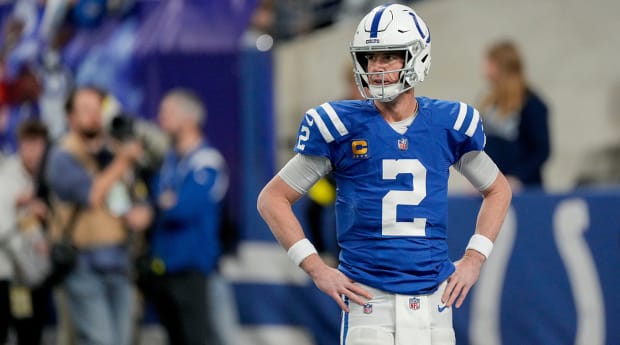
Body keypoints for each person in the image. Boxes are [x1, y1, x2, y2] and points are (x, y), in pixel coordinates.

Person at [257, 4, 512, 345]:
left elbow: (498, 189)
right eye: (370, 58)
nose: (377, 68)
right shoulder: (340, 126)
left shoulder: (447, 123)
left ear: (417, 57)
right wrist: (315, 267)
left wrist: (474, 258)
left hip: (435, 300)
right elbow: (272, 199)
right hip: (369, 301)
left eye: (389, 57)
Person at [46, 86, 146, 345]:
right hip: (83, 266)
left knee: (122, 340)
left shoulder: (111, 151)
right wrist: (123, 161)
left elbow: (129, 196)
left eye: (97, 109)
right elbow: (92, 194)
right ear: (70, 117)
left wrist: (141, 211)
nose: (93, 116)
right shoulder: (62, 155)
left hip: (120, 263)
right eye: (85, 110)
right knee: (100, 340)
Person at [145, 89, 234, 345]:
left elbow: (182, 207)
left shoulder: (207, 161)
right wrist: (164, 203)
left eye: (167, 113)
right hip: (165, 268)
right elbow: (159, 199)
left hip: (193, 271)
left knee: (199, 336)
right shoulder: (170, 161)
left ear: (189, 118)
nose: (160, 119)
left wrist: (164, 204)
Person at [0, 119, 50, 345]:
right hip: (8, 274)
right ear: (20, 144)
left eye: (38, 144)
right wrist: (22, 211)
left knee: (31, 334)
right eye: (28, 144)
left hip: (36, 275)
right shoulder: (7, 177)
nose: (33, 151)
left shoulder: (48, 176)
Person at [479, 40, 550, 189]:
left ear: (501, 66)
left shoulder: (532, 104)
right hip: (492, 187)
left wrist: (518, 177)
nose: (485, 71)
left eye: (489, 64)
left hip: (523, 190)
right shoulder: (490, 103)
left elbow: (541, 150)